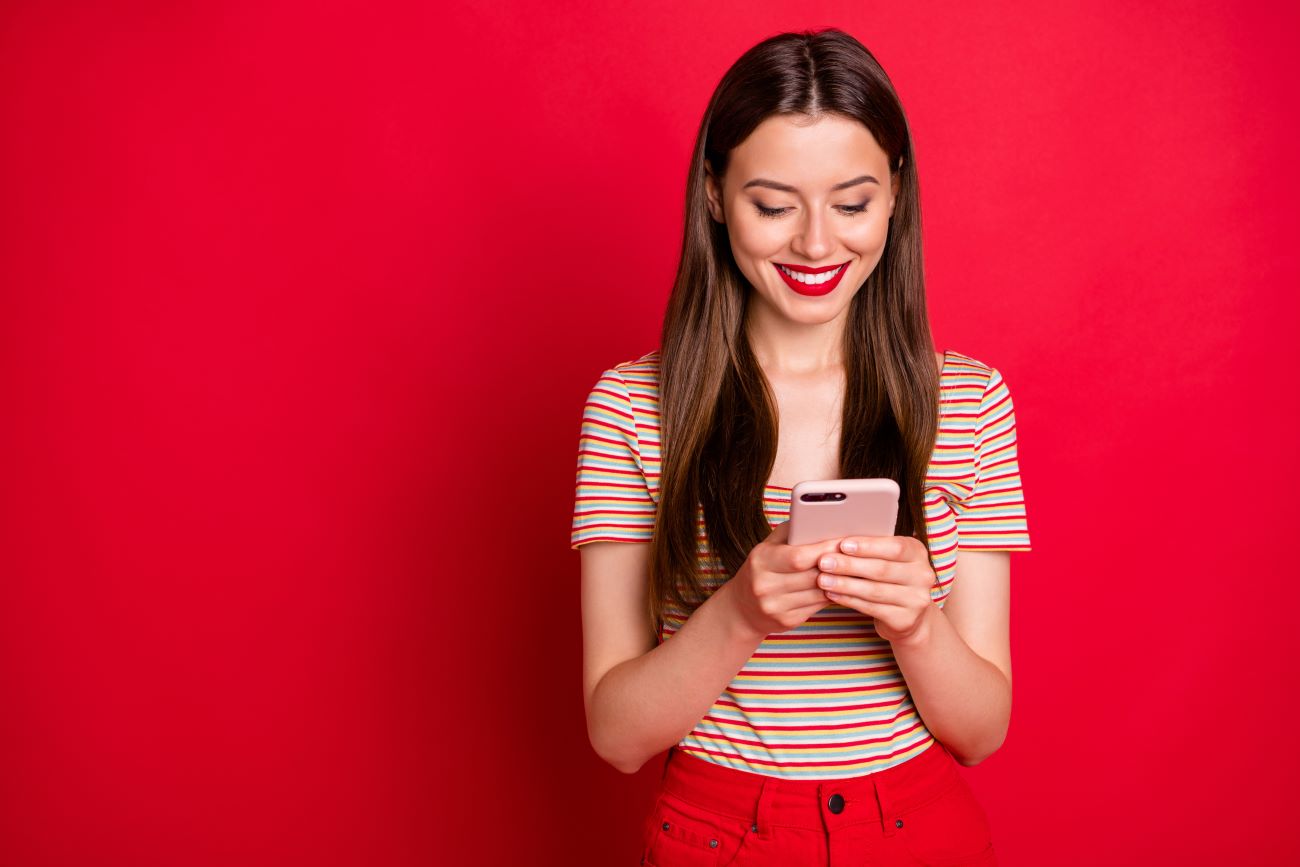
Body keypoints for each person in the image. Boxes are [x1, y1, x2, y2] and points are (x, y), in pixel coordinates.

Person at [570, 27, 1031, 866]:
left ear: (895, 195)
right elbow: (616, 735)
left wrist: (916, 624)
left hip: (918, 831)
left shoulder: (970, 400)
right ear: (714, 195)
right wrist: (740, 613)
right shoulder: (633, 406)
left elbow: (982, 730)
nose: (817, 244)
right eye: (774, 205)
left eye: (851, 204)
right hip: (717, 831)